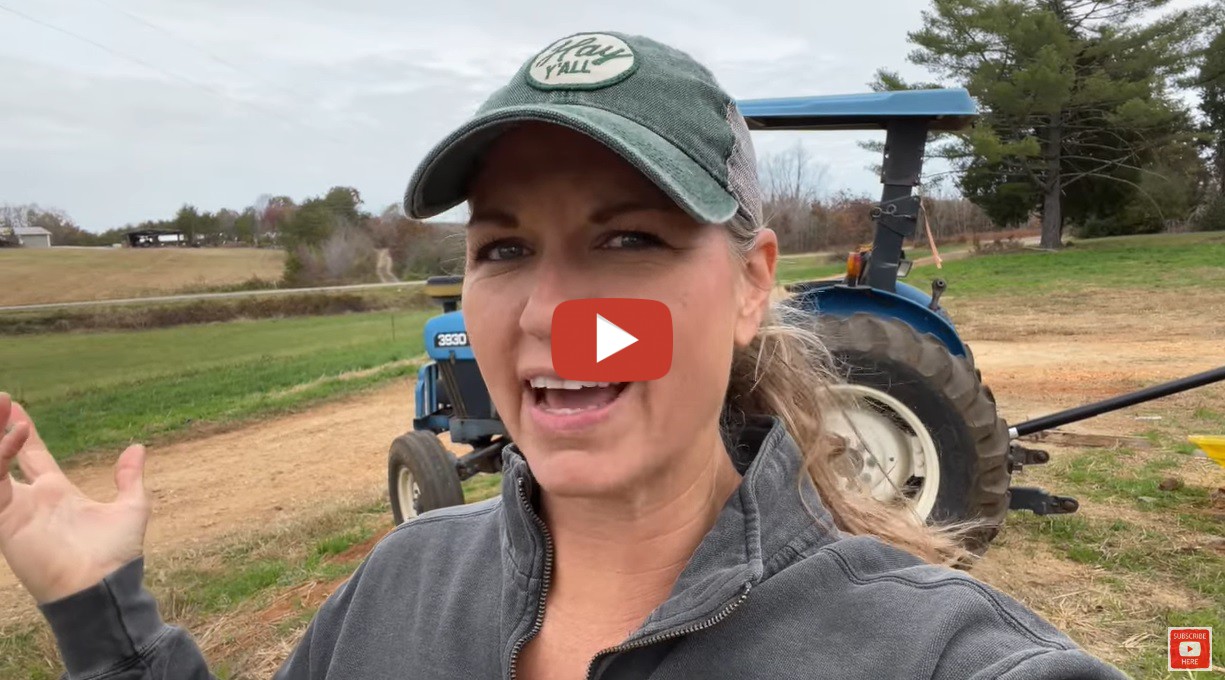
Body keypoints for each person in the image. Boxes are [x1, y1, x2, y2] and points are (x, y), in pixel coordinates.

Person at [0, 31, 1130, 680]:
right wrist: (104, 610)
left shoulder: (943, 658)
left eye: (627, 239)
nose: (549, 314)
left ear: (750, 283)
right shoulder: (398, 589)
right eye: (502, 247)